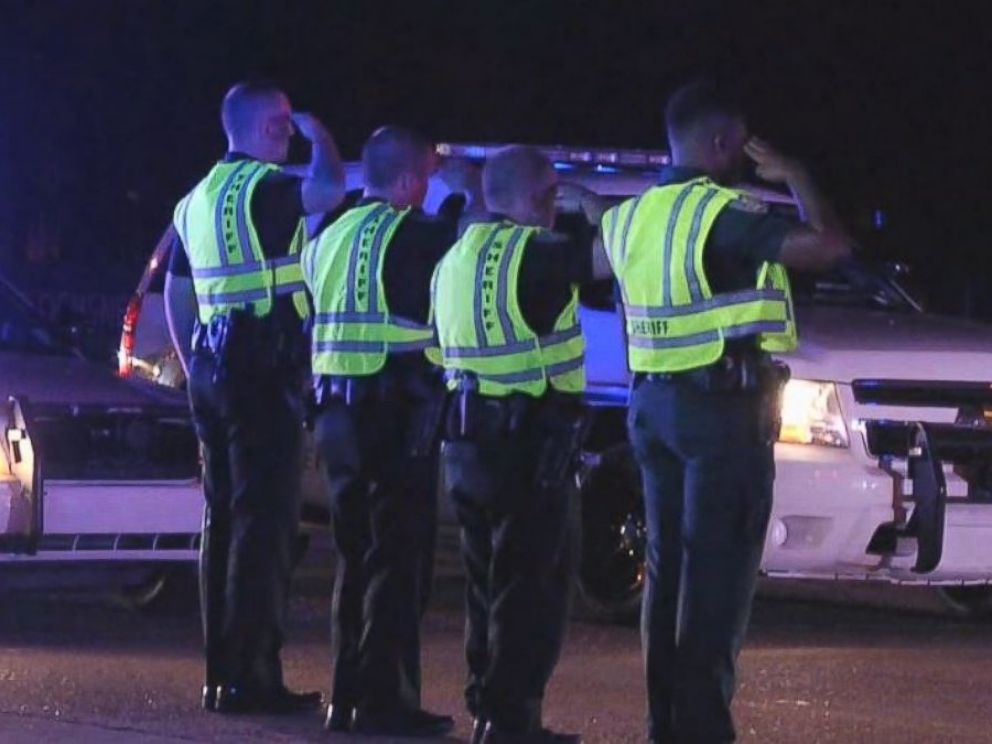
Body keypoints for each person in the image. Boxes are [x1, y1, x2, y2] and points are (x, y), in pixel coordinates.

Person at [602, 80, 853, 743]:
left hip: (653, 407)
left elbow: (600, 270)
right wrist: (797, 173)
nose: (746, 156)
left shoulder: (630, 215)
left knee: (668, 573)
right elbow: (829, 246)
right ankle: (703, 731)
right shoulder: (722, 212)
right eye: (741, 144)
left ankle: (666, 726)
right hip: (719, 413)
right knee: (716, 578)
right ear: (720, 141)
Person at [164, 80, 346, 714]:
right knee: (264, 529)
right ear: (270, 127)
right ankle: (254, 678)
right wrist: (322, 136)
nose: (288, 131)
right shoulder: (267, 189)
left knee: (221, 525)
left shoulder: (195, 200)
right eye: (284, 122)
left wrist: (195, 368)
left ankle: (221, 673)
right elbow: (330, 188)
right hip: (262, 374)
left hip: (213, 371)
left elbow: (177, 293)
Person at [301, 126, 481, 737]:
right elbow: (473, 239)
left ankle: (346, 697)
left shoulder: (327, 233)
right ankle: (387, 703)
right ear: (408, 182)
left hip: (334, 415)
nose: (427, 189)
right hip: (393, 413)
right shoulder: (414, 233)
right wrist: (467, 188)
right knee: (399, 563)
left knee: (354, 557)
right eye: (424, 178)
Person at [432, 145, 611, 744]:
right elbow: (617, 261)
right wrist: (598, 208)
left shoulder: (455, 256)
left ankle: (487, 706)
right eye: (555, 194)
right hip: (528, 446)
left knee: (485, 583)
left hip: (465, 440)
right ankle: (512, 720)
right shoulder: (536, 253)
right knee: (531, 587)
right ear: (543, 197)